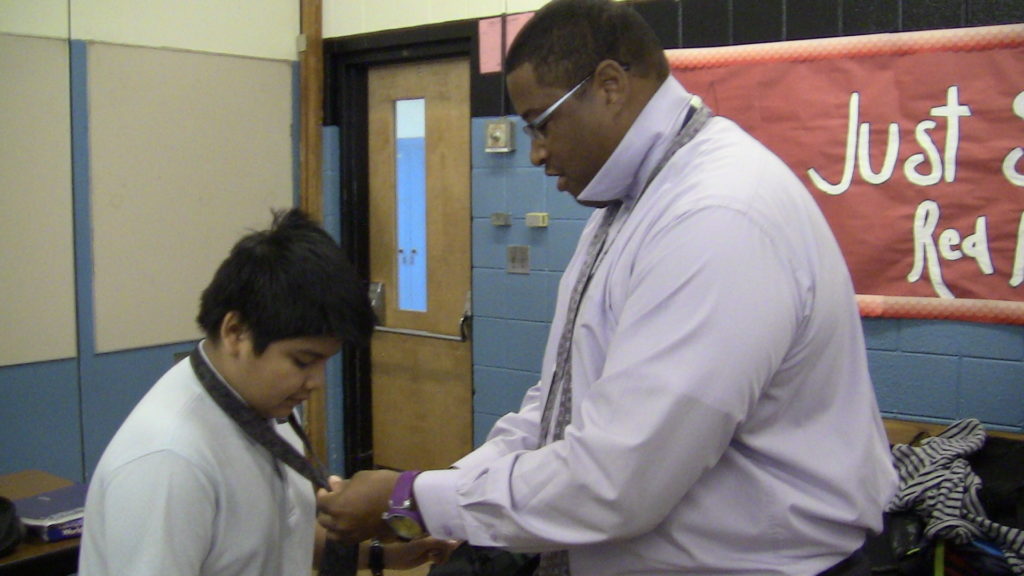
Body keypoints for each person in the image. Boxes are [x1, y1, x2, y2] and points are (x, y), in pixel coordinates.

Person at [316, 1, 898, 574]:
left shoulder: (716, 214)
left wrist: (415, 498)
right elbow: (558, 407)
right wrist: (446, 493)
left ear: (611, 85)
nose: (537, 153)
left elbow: (620, 479)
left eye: (541, 124)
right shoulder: (628, 203)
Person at [78, 208, 455, 576]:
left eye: (324, 362)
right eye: (303, 361)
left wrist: (385, 558)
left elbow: (275, 534)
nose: (316, 382)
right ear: (236, 332)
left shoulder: (260, 407)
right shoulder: (169, 463)